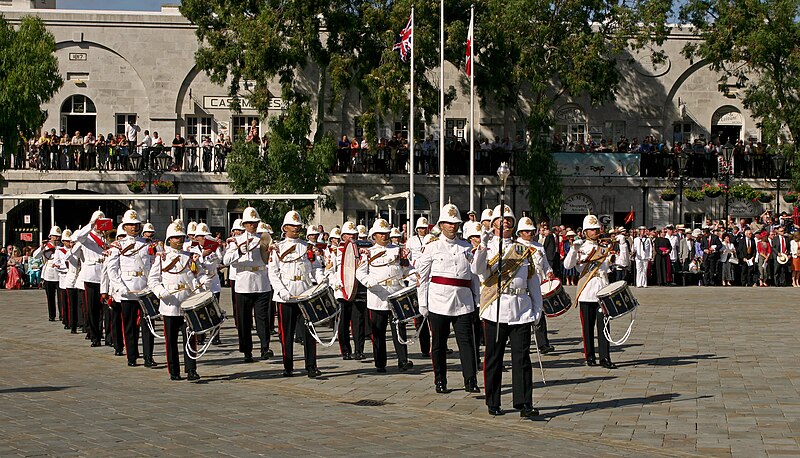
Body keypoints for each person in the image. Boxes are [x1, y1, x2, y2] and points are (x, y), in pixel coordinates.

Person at [470, 204, 542, 418]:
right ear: (493, 225)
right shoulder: (488, 247)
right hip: (495, 308)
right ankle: (493, 401)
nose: (506, 223)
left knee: (522, 358)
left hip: (521, 308)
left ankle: (524, 402)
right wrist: (482, 246)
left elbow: (532, 279)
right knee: (494, 358)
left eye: (510, 220)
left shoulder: (523, 249)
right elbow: (477, 270)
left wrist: (537, 307)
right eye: (501, 221)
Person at [415, 204, 480, 394]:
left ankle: (470, 379)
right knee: (439, 344)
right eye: (449, 223)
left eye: (455, 223)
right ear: (441, 224)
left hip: (463, 302)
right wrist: (423, 303)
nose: (453, 226)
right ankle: (440, 380)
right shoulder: (432, 248)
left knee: (467, 343)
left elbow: (474, 276)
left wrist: (477, 299)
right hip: (439, 302)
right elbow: (423, 277)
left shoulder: (467, 248)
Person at [268, 210, 325, 377]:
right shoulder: (278, 248)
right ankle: (288, 366)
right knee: (287, 333)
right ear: (285, 227)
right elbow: (273, 272)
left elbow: (315, 267)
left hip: (305, 292)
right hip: (286, 295)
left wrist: (321, 279)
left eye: (298, 226)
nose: (296, 228)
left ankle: (311, 365)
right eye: (292, 226)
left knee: (309, 331)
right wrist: (281, 291)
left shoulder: (307, 246)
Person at [356, 218, 414, 373]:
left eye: (386, 233)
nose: (384, 236)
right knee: (378, 332)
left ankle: (403, 360)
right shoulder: (368, 253)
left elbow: (407, 268)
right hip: (378, 296)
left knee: (399, 329)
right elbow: (360, 273)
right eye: (381, 233)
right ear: (374, 235)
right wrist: (370, 282)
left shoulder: (398, 250)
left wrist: (413, 276)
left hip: (396, 294)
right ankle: (380, 362)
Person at [147, 219, 202, 381]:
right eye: (176, 237)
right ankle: (174, 370)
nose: (179, 240)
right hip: (170, 303)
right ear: (169, 239)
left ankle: (191, 369)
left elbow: (196, 277)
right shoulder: (162, 258)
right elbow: (153, 280)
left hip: (187, 302)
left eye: (181, 237)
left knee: (190, 339)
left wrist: (201, 282)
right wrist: (161, 292)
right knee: (171, 340)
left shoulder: (190, 257)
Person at [563, 214, 616, 369]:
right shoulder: (581, 248)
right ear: (585, 232)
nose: (595, 232)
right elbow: (568, 266)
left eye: (596, 229)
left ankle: (605, 357)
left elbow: (610, 267)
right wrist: (573, 249)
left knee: (604, 326)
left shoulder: (604, 248)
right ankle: (590, 356)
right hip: (587, 290)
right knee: (587, 327)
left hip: (602, 290)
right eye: (591, 230)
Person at [223, 207, 273, 363]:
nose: (252, 225)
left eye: (255, 222)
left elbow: (269, 256)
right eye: (249, 223)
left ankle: (265, 347)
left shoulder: (264, 238)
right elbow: (225, 261)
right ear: (244, 224)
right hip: (243, 283)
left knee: (262, 318)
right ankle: (246, 350)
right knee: (244, 320)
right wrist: (238, 252)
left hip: (261, 282)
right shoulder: (236, 240)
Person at [106, 210, 154, 367]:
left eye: (136, 224)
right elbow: (112, 270)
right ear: (124, 227)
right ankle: (131, 356)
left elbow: (154, 265)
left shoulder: (147, 244)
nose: (134, 227)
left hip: (145, 288)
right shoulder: (118, 246)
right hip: (128, 290)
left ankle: (148, 356)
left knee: (148, 324)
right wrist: (120, 287)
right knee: (129, 325)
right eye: (130, 225)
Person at [515, 217, 556, 354]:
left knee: (540, 313)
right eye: (526, 231)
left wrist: (549, 272)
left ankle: (543, 343)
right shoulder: (516, 246)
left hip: (538, 283)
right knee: (524, 316)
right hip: (522, 285)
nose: (529, 234)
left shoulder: (538, 246)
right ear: (520, 232)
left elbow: (544, 264)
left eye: (531, 231)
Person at [73, 211, 112, 347]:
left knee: (108, 308)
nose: (99, 225)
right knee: (92, 308)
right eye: (98, 222)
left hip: (106, 274)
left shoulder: (108, 236)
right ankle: (95, 336)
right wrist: (91, 224)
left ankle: (109, 336)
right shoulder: (88, 236)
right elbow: (78, 236)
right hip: (91, 274)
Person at [404, 216, 431, 357]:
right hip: (416, 279)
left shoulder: (432, 238)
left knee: (433, 315)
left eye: (424, 228)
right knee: (420, 314)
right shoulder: (411, 241)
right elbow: (406, 260)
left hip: (430, 279)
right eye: (420, 228)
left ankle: (438, 346)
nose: (422, 230)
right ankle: (424, 348)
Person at [32, 226, 62, 321]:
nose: (56, 238)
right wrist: (42, 247)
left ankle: (62, 314)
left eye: (58, 236)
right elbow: (35, 256)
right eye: (55, 236)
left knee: (61, 297)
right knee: (50, 297)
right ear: (50, 236)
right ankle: (51, 315)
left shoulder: (61, 246)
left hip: (60, 273)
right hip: (49, 274)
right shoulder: (46, 246)